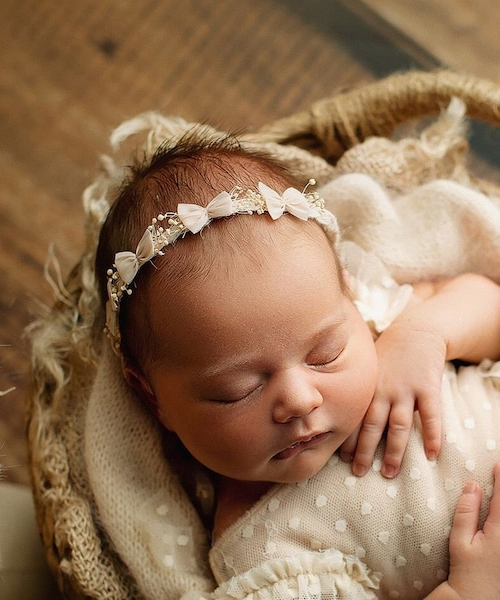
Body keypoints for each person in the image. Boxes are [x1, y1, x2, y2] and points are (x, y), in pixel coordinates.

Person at [94, 133, 500, 599]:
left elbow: (490, 302)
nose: (301, 400)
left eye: (325, 354)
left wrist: (426, 333)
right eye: (238, 389)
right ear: (153, 398)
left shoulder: (384, 326)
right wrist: (473, 588)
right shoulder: (267, 552)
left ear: (349, 294)